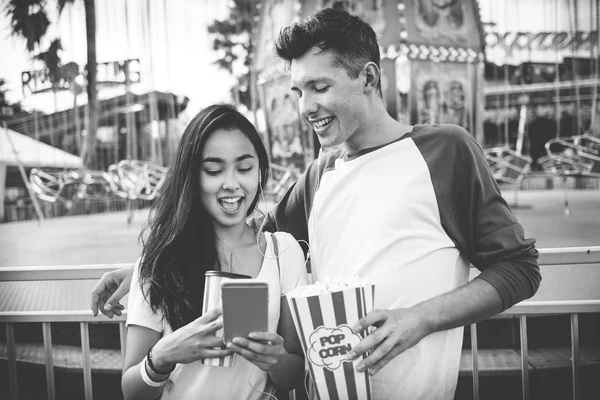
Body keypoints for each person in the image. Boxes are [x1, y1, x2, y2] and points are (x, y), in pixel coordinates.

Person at [92, 9, 541, 400]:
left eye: (319, 86)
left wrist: (420, 319)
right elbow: (247, 243)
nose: (306, 106)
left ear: (368, 77)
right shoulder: (319, 175)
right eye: (297, 92)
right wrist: (144, 269)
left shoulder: (446, 152)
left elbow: (519, 268)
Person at [118, 104, 308, 400]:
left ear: (260, 170)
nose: (231, 184)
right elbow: (131, 391)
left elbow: (294, 374)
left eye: (245, 168)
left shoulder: (283, 252)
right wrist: (163, 356)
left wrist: (277, 359)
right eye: (214, 170)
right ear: (192, 177)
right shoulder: (158, 261)